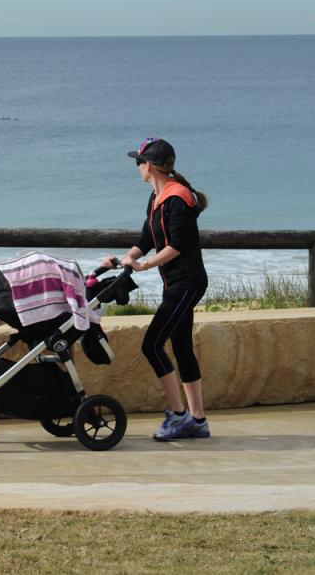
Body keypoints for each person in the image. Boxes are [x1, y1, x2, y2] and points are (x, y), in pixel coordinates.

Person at [103, 137, 210, 441]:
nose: (137, 167)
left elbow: (178, 245)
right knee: (181, 347)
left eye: (139, 161)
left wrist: (145, 266)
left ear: (149, 166)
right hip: (174, 284)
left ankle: (179, 417)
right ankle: (198, 420)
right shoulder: (157, 198)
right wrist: (127, 258)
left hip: (187, 283)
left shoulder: (178, 198)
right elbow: (148, 236)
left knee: (151, 345)